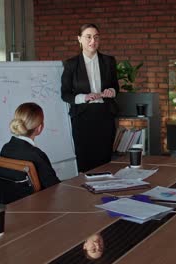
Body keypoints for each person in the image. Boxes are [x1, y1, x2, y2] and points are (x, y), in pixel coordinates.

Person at [61, 23, 119, 172]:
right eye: (88, 37)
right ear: (79, 39)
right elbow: (65, 94)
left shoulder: (108, 61)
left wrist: (112, 91)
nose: (93, 41)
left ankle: (103, 189)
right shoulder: (71, 64)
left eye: (96, 37)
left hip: (105, 114)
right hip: (82, 117)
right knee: (85, 160)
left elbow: (115, 86)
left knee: (105, 159)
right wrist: (84, 97)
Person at [0, 102, 60, 189]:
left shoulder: (6, 148)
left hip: (15, 200)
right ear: (39, 128)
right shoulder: (36, 155)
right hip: (39, 200)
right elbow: (55, 187)